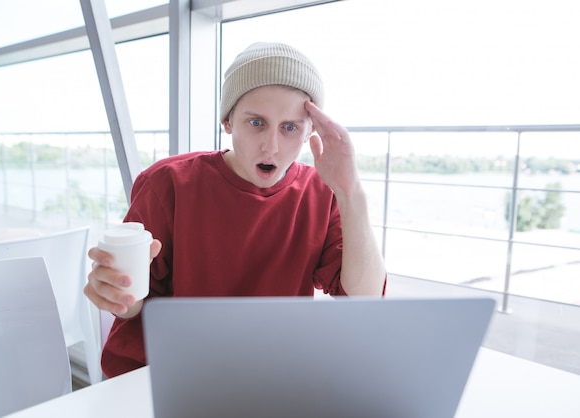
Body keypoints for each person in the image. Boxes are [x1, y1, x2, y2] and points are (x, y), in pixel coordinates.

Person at [85, 42, 387, 378]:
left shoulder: (322, 192)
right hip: (163, 373)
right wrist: (117, 292)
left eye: (290, 128)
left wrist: (350, 191)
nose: (271, 146)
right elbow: (135, 304)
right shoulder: (168, 183)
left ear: (310, 131)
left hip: (265, 376)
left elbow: (365, 299)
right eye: (256, 122)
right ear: (228, 121)